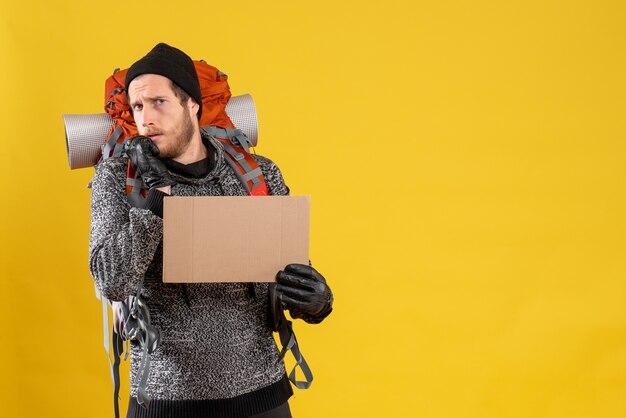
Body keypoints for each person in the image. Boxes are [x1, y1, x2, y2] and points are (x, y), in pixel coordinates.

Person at [89, 43, 333, 418]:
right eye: (138, 106)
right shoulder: (117, 178)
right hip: (164, 399)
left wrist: (315, 303)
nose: (146, 118)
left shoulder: (258, 174)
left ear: (192, 106)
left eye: (159, 102)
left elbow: (287, 274)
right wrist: (158, 199)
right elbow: (112, 281)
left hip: (261, 393)